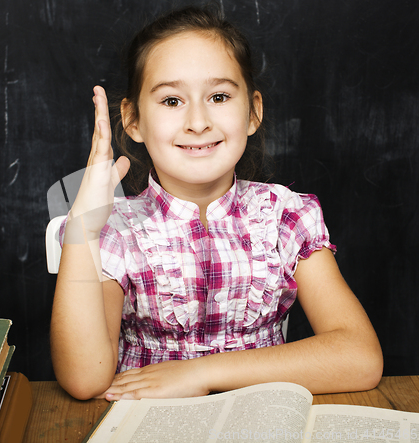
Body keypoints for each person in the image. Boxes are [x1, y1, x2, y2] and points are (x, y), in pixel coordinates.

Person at [50, 5, 383, 401]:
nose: (198, 121)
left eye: (219, 96)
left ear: (253, 112)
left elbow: (360, 357)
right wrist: (85, 225)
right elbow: (85, 380)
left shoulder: (286, 215)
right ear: (133, 119)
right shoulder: (117, 229)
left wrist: (202, 373)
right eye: (172, 101)